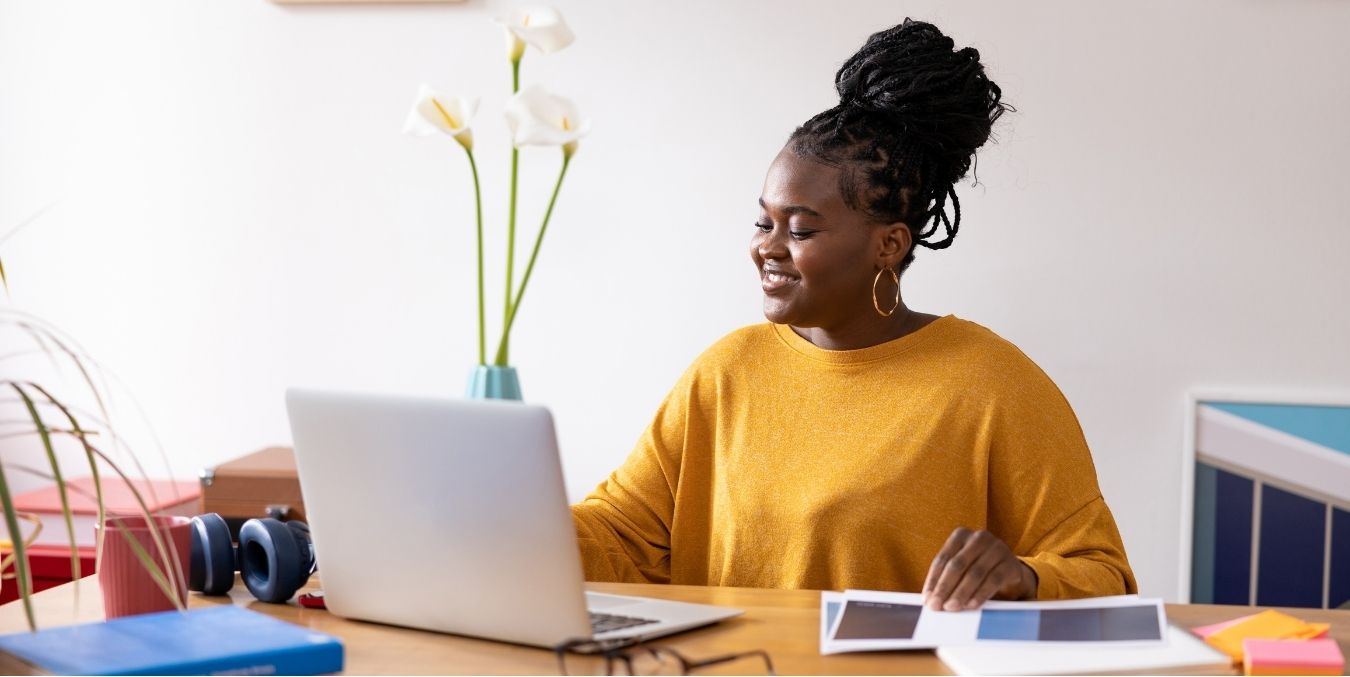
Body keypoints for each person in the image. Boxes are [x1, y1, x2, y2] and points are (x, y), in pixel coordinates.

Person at [571, 18, 1136, 612]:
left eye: (802, 228)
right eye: (764, 221)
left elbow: (1103, 577)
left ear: (889, 245)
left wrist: (1024, 577)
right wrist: (501, 523)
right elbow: (621, 537)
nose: (768, 245)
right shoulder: (725, 372)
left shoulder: (992, 386)